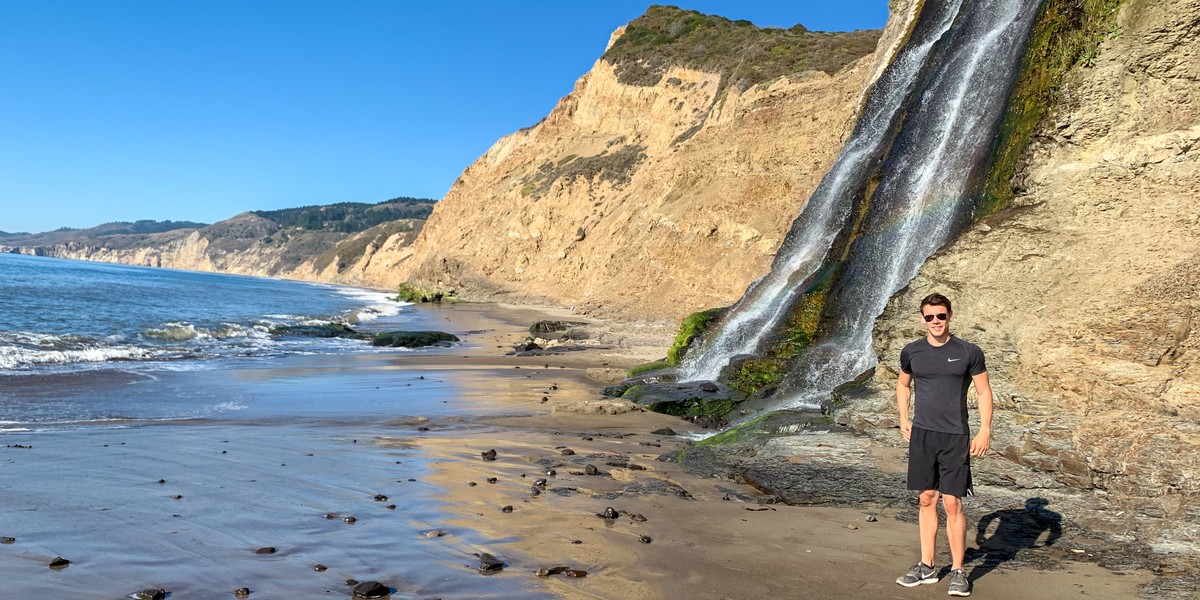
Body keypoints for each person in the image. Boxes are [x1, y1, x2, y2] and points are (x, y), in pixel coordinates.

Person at [894, 292, 993, 597]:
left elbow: (983, 392)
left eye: (941, 316)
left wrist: (984, 430)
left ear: (950, 316)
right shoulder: (912, 351)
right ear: (922, 318)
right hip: (922, 434)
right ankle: (926, 566)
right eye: (929, 317)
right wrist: (903, 417)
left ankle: (959, 571)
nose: (935, 321)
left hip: (955, 436)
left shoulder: (968, 351)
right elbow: (902, 383)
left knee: (952, 502)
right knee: (926, 498)